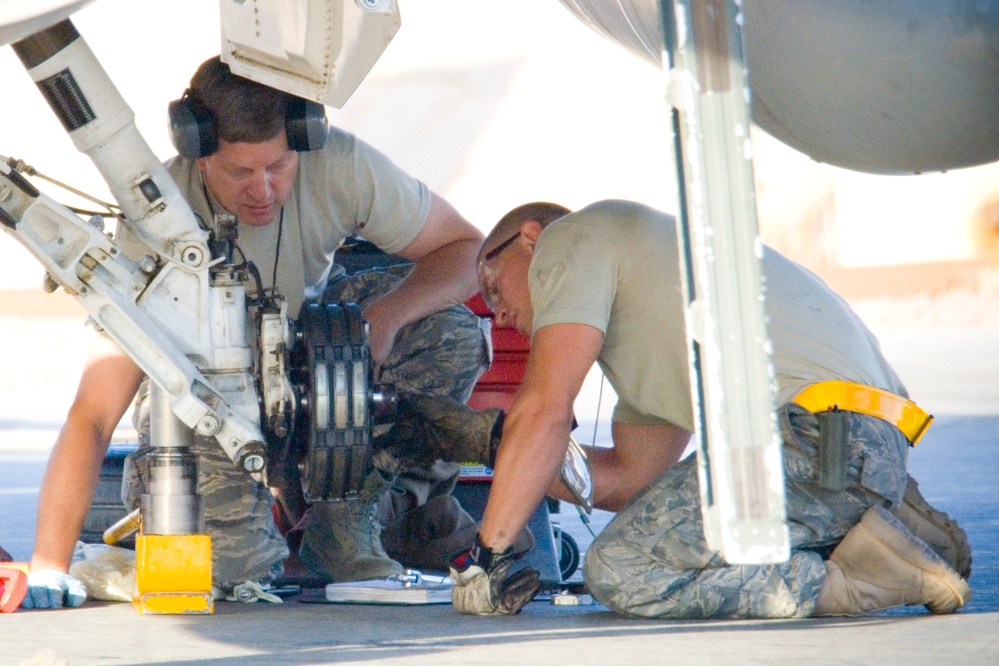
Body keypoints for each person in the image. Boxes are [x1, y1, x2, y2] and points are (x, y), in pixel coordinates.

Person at [22, 56, 490, 609]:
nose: (263, 190)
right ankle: (347, 523)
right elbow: (94, 411)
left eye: (277, 167)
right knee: (230, 570)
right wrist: (49, 563)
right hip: (210, 387)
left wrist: (386, 316)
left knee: (450, 334)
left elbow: (467, 251)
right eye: (240, 173)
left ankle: (348, 517)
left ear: (300, 138)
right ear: (198, 155)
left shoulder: (337, 161)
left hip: (318, 356)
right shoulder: (155, 220)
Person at [436, 198, 972, 617]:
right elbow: (628, 482)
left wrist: (487, 557)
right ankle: (880, 526)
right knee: (659, 543)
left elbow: (544, 410)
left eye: (492, 282)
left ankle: (852, 579)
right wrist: (496, 444)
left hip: (817, 435)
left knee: (623, 568)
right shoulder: (656, 312)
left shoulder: (573, 238)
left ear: (530, 237)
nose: (497, 314)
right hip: (858, 445)